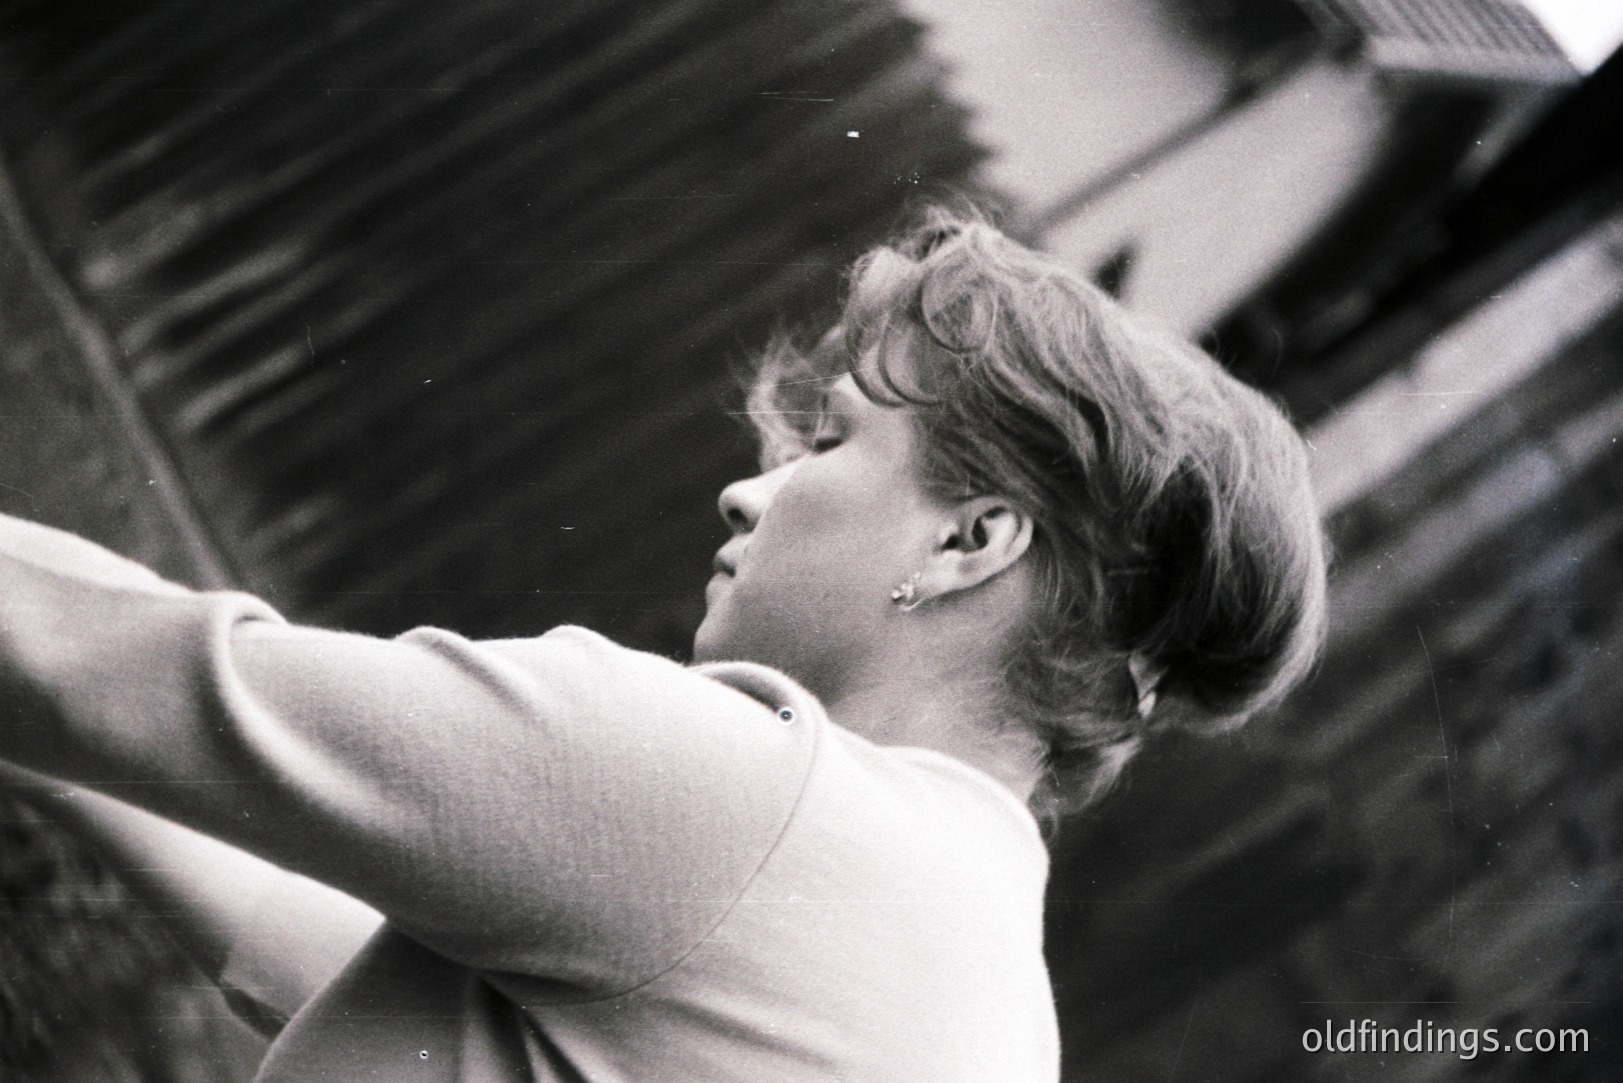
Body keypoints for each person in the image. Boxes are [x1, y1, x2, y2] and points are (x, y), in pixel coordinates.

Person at [0, 209, 1328, 1081]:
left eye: (831, 440)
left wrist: (73, 700)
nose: (749, 492)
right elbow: (376, 980)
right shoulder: (991, 1013)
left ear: (969, 542)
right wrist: (70, 757)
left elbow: (84, 668)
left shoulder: (752, 803)